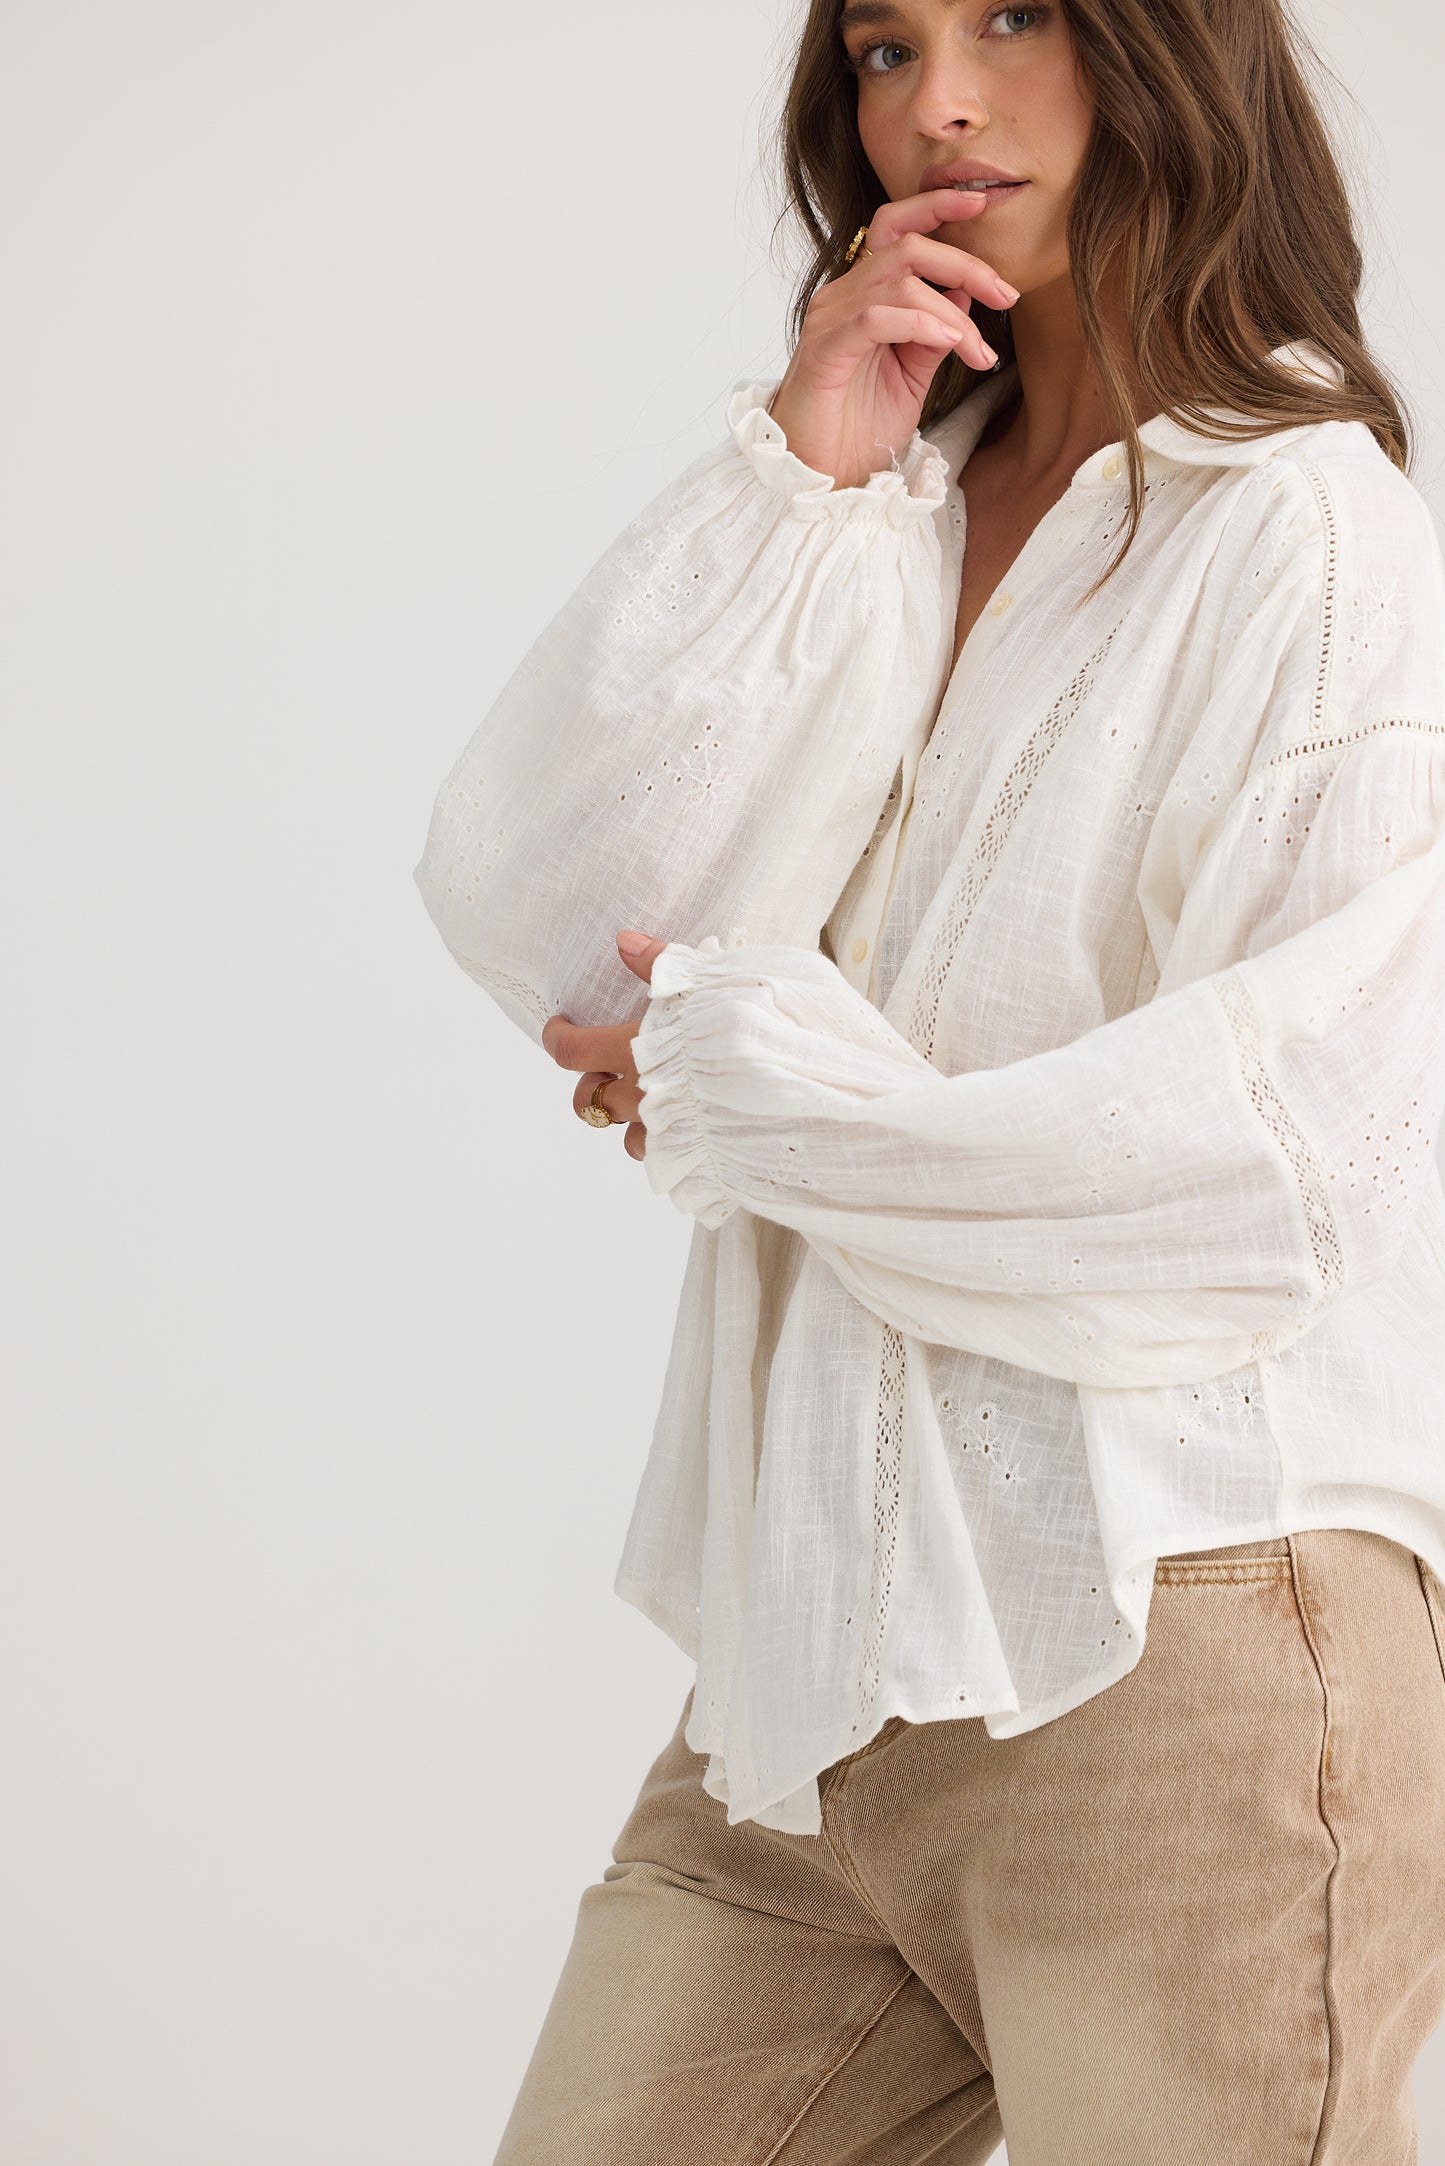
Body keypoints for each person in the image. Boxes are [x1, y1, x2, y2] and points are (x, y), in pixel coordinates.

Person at [413, 0, 1445, 2156]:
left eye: (1013, 17)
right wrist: (805, 470)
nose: (939, 105)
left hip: (1183, 1645)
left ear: (1172, 49)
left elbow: (1270, 1172)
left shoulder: (1310, 536)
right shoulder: (885, 509)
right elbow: (562, 917)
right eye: (882, 48)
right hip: (812, 1673)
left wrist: (753, 1084)